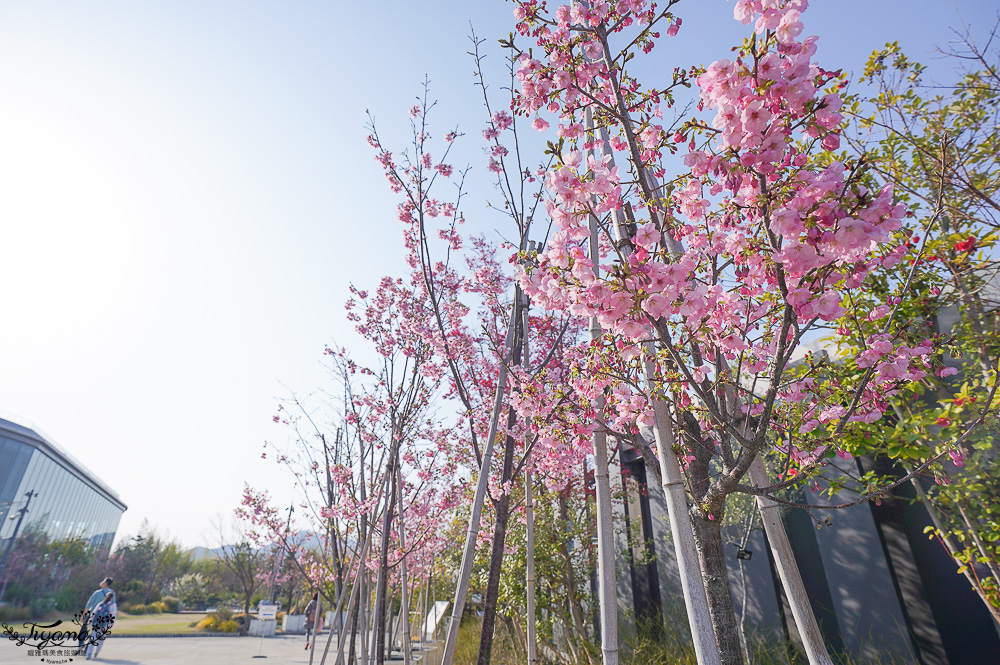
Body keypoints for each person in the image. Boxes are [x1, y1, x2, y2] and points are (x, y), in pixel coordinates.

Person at [81, 577, 116, 661]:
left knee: (91, 636)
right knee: (101, 639)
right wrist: (111, 624)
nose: (101, 582)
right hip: (106, 622)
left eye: (103, 581)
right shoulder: (112, 593)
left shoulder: (97, 594)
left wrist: (84, 615)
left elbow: (89, 604)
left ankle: (88, 653)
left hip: (96, 620)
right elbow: (113, 611)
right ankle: (96, 653)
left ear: (106, 583)